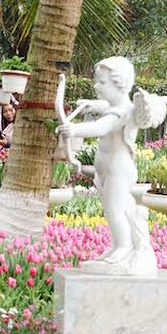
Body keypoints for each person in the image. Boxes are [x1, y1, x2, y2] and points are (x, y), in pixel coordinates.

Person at [57, 57, 157, 274]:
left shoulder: (121, 112)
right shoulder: (115, 105)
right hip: (106, 167)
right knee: (111, 210)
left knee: (115, 210)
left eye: (102, 83)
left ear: (120, 85)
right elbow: (105, 106)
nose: (96, 86)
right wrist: (91, 104)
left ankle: (125, 246)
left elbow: (101, 127)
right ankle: (117, 245)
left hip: (118, 169)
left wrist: (74, 130)